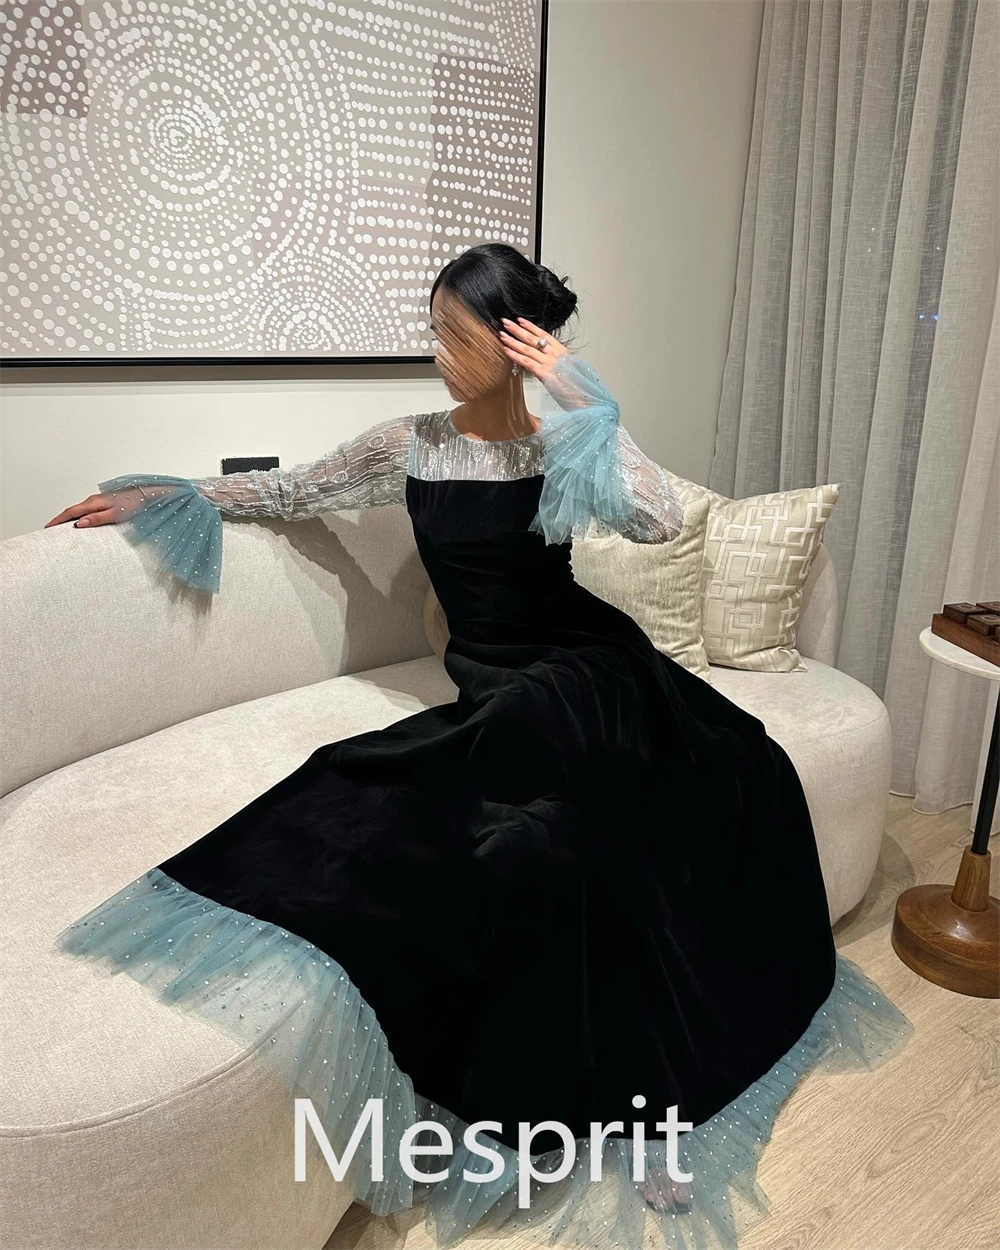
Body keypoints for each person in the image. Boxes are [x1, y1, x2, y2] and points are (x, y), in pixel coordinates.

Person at [46, 243, 913, 1250]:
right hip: (503, 676)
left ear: (514, 346)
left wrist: (585, 399)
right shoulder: (408, 443)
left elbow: (660, 516)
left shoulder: (562, 445)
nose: (438, 353)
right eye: (435, 332)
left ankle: (652, 1105)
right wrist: (164, 495)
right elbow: (292, 490)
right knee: (460, 811)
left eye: (455, 336)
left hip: (592, 660)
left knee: (711, 775)